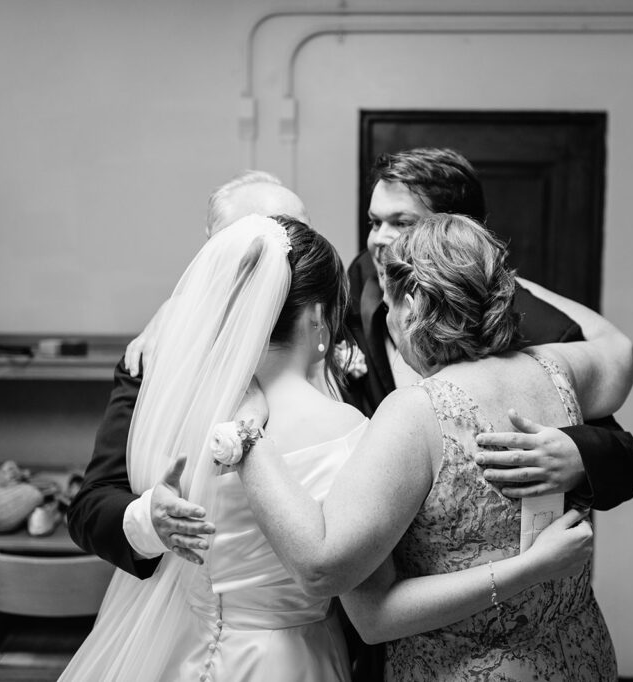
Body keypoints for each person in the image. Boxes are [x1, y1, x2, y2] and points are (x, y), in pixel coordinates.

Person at [61, 214, 602, 681]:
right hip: (300, 656)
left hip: (189, 650)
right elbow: (618, 357)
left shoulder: (178, 399)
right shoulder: (548, 373)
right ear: (320, 318)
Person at [235, 214, 630, 680]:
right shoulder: (556, 367)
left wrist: (244, 436)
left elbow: (336, 584)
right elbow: (620, 352)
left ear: (413, 305)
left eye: (389, 306)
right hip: (580, 656)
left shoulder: (415, 413)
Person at [347, 147, 633, 510]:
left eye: (403, 224)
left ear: (457, 234)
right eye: (375, 223)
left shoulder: (526, 322)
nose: (380, 241)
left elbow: (626, 458)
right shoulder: (358, 287)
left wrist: (580, 457)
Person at [67, 170, 309, 577]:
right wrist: (149, 520)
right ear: (211, 247)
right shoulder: (155, 355)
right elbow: (89, 506)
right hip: (189, 601)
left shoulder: (331, 344)